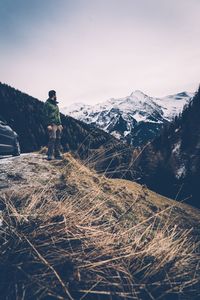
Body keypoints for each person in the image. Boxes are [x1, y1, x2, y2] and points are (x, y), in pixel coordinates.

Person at [44, 90, 63, 160]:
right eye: (55, 95)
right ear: (53, 95)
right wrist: (48, 124)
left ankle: (57, 154)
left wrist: (60, 124)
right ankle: (50, 155)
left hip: (58, 125)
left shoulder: (56, 105)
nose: (56, 96)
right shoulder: (47, 104)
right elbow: (45, 115)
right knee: (52, 138)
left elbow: (58, 115)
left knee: (58, 139)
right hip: (52, 124)